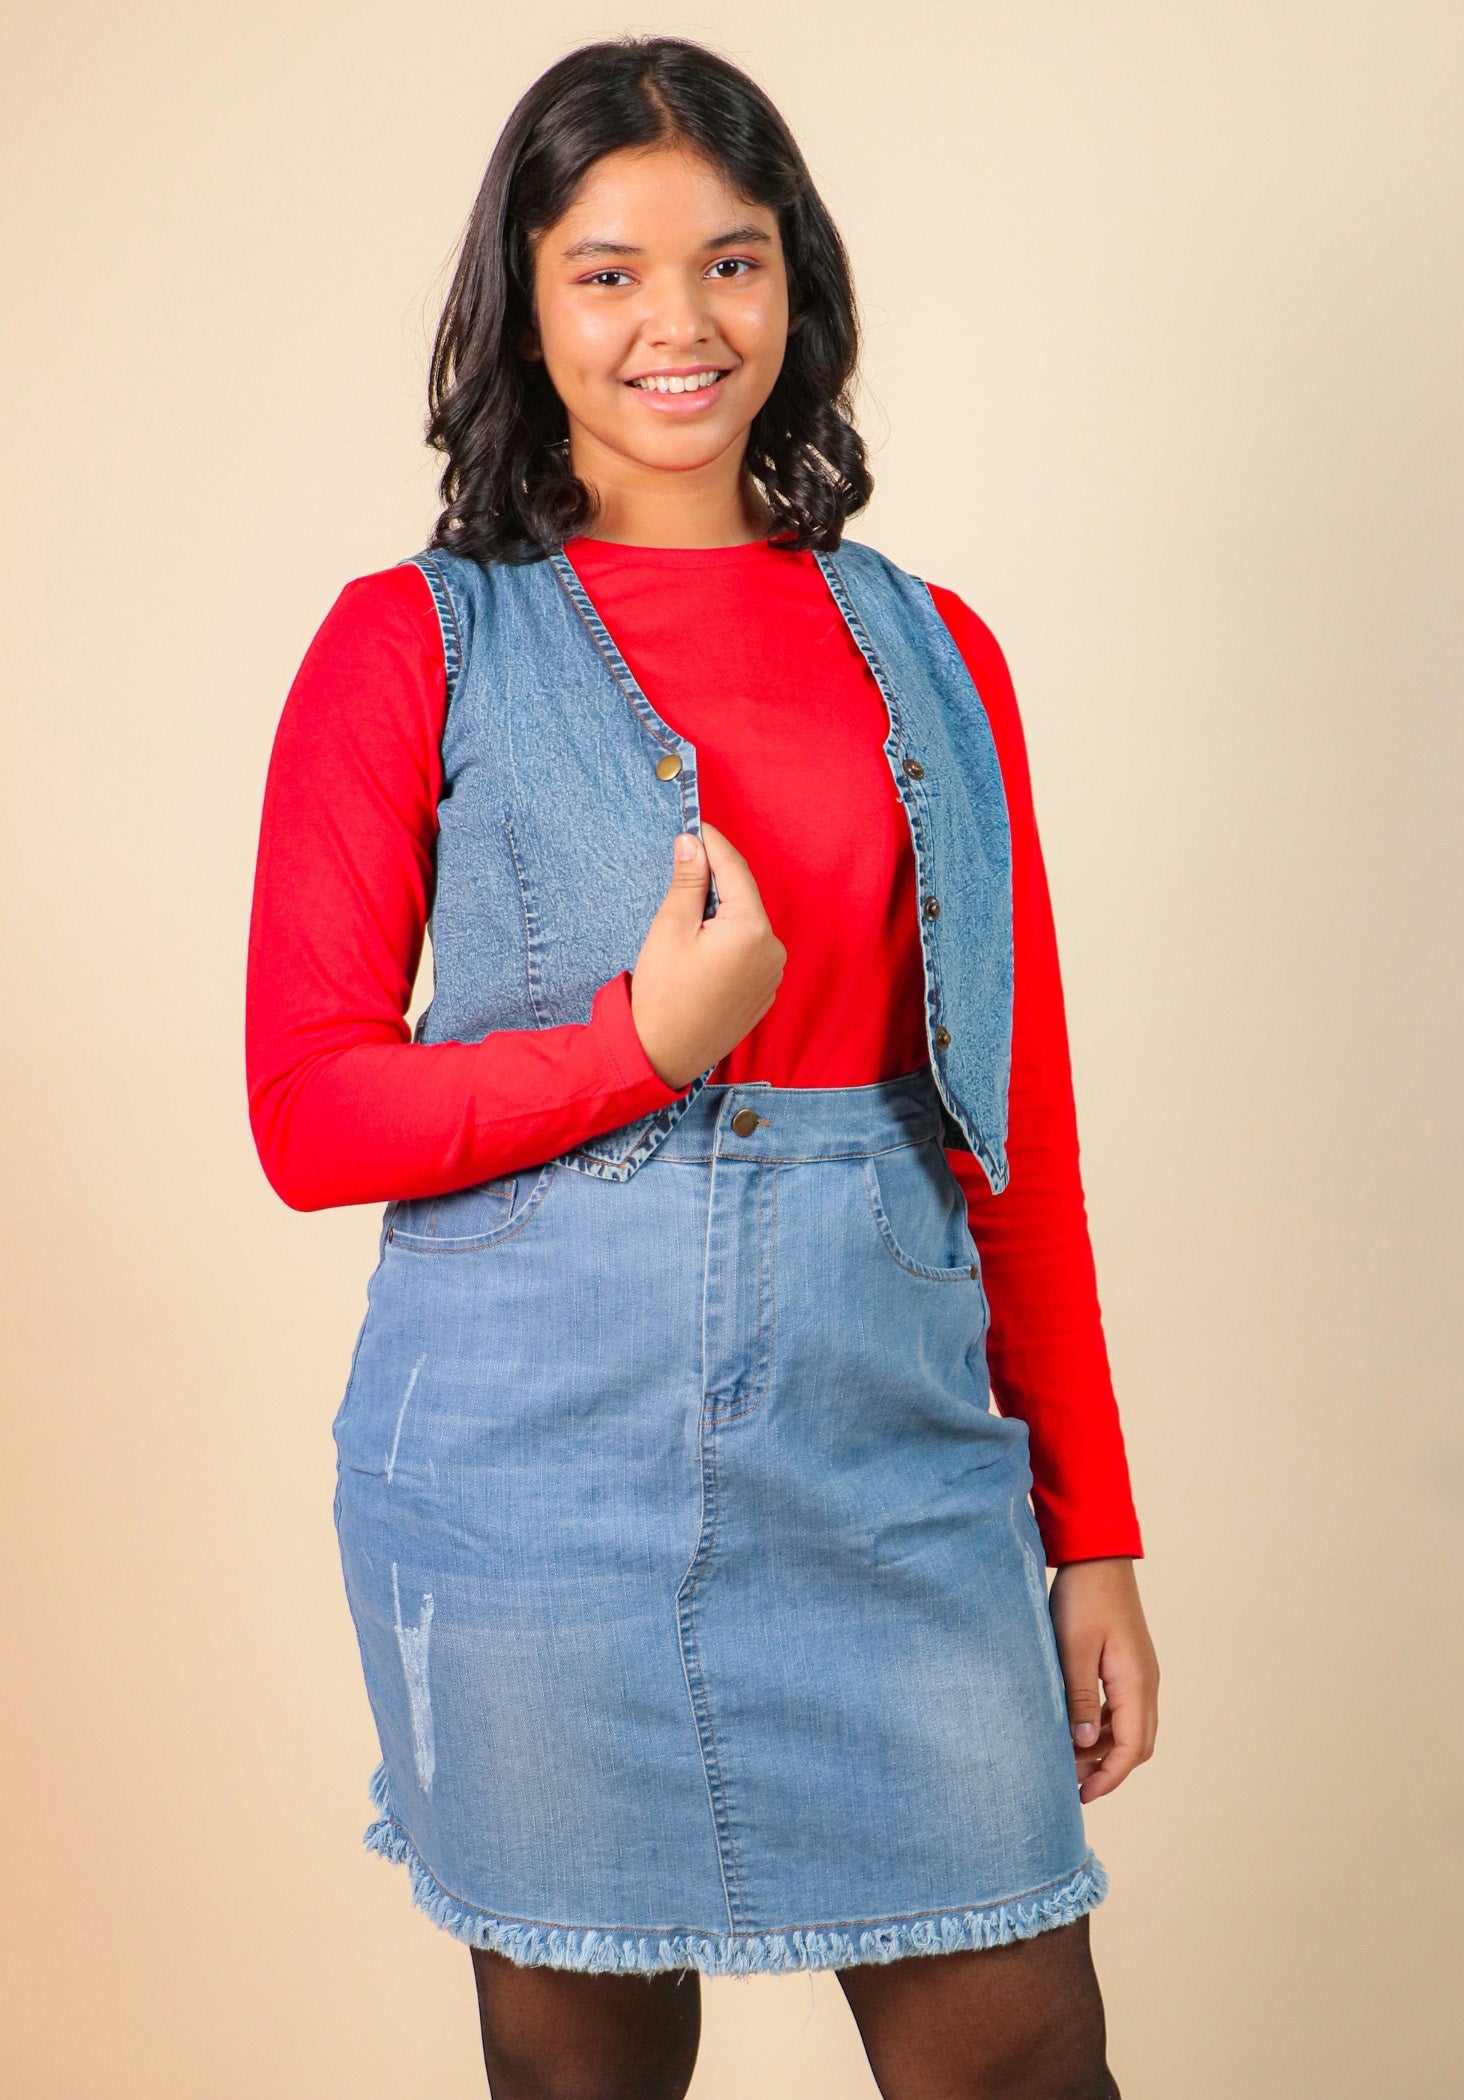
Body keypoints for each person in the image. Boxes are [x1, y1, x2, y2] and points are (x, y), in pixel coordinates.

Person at [246, 35, 1158, 2100]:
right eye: (609, 272)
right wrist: (637, 1046)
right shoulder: (405, 644)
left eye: (731, 262)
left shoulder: (938, 651)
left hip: (890, 1464)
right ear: (525, 308)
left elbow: (1017, 1131)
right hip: (525, 1486)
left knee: (1022, 2053)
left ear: (793, 284)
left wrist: (1088, 1530)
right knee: (582, 2077)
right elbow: (307, 1110)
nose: (681, 322)